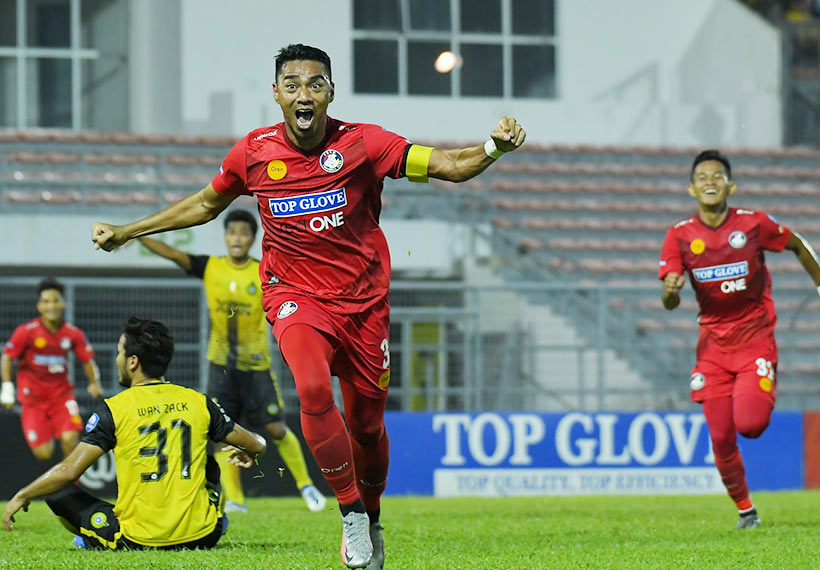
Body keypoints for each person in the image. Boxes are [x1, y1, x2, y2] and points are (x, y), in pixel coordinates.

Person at [91, 43, 526, 569]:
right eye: (292, 84)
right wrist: (128, 231)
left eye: (315, 84)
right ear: (276, 94)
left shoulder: (365, 144)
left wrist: (493, 146)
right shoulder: (253, 152)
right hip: (295, 298)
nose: (304, 94)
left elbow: (450, 166)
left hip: (365, 306)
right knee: (314, 389)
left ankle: (370, 514)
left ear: (330, 93)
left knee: (367, 427)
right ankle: (348, 515)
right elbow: (206, 203)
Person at [659, 149, 820, 529]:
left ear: (731, 185)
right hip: (712, 348)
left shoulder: (753, 224)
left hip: (755, 338)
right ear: (691, 189)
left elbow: (797, 244)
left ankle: (763, 380)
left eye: (717, 176)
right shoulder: (678, 236)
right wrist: (671, 291)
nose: (710, 181)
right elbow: (669, 301)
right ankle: (746, 511)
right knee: (721, 436)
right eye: (702, 177)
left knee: (751, 424)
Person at [2, 317, 267, 550]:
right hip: (204, 536)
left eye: (119, 352)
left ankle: (90, 538)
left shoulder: (114, 409)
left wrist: (23, 494)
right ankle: (213, 520)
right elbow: (256, 444)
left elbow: (69, 472)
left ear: (132, 361)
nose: (116, 358)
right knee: (209, 464)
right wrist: (252, 451)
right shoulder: (199, 401)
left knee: (58, 493)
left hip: (138, 539)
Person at [139, 209, 327, 513]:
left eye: (243, 233)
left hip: (257, 366)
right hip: (221, 367)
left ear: (253, 239)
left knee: (277, 427)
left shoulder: (263, 270)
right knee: (222, 432)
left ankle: (306, 485)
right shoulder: (210, 267)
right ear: (225, 237)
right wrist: (134, 233)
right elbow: (173, 254)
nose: (237, 238)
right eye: (232, 232)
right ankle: (236, 501)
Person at [1, 277, 104, 461]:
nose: (52, 306)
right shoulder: (27, 332)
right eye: (46, 301)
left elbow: (88, 360)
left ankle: (73, 486)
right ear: (39, 306)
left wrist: (94, 383)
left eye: (56, 300)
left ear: (63, 303)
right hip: (33, 401)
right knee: (44, 453)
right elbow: (7, 357)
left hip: (61, 397)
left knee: (70, 438)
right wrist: (7, 389)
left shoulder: (73, 333)